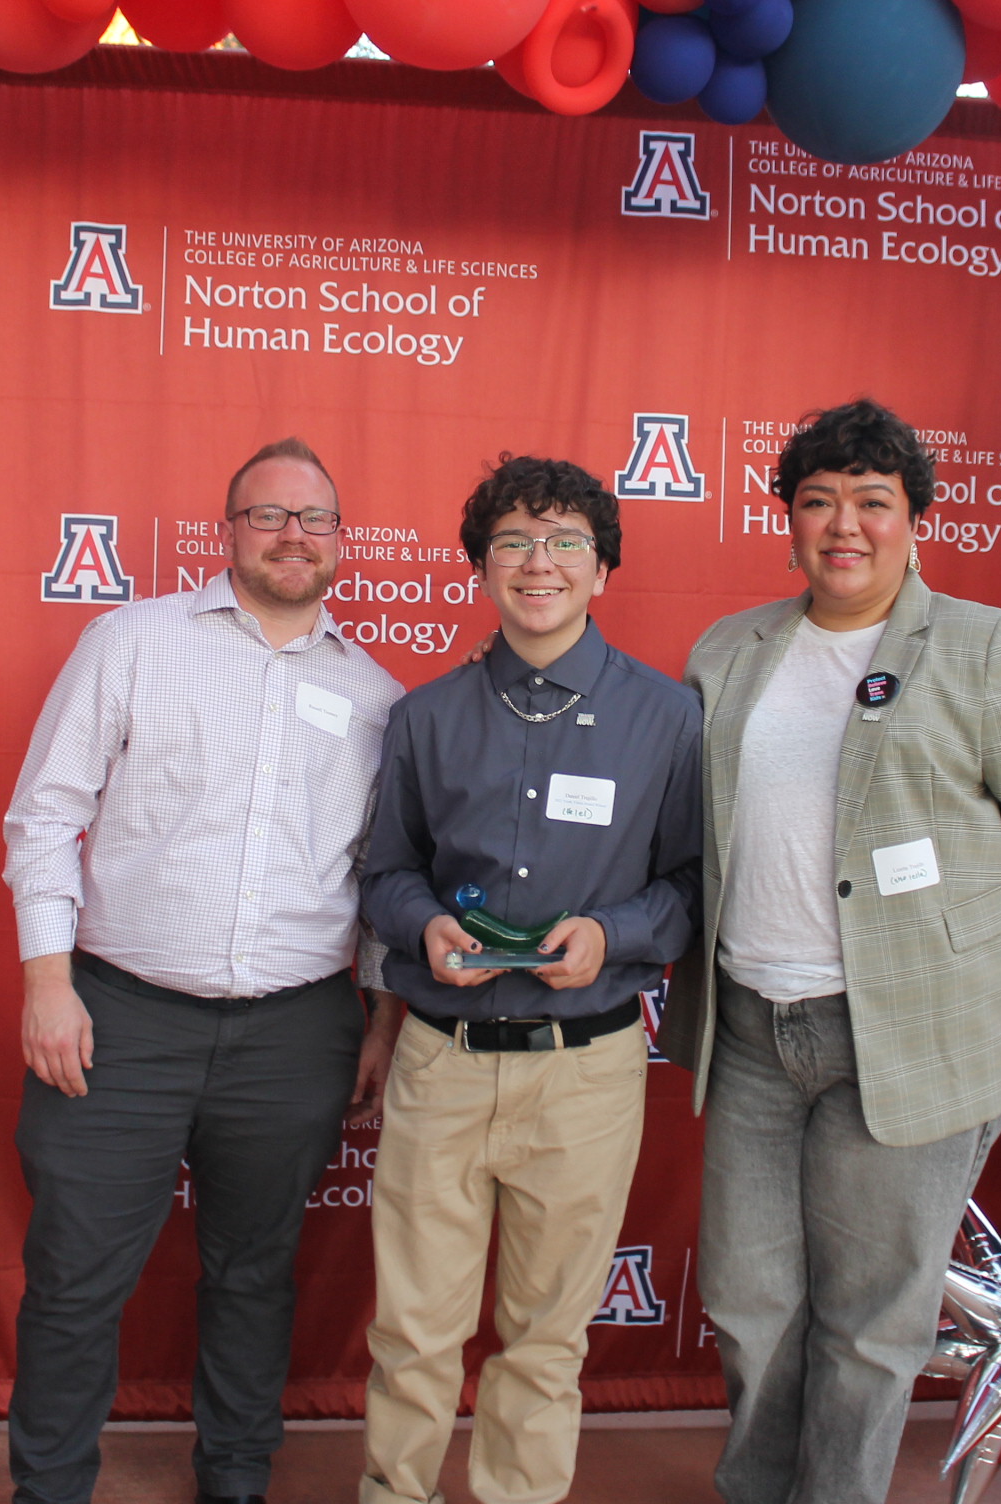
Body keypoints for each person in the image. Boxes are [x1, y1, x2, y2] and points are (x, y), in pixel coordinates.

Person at [660, 400, 1001, 1504]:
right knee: (750, 1299)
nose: (844, 525)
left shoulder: (981, 645)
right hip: (755, 1028)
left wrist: (937, 929)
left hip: (905, 1037)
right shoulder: (731, 648)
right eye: (819, 502)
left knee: (871, 1320)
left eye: (873, 502)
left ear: (916, 520)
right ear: (790, 521)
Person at [1, 437, 406, 1504]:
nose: (292, 536)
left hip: (295, 1031)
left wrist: (377, 1022)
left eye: (314, 520)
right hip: (120, 1018)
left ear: (339, 542)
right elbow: (47, 815)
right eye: (269, 515)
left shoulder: (374, 696)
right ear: (226, 531)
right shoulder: (132, 642)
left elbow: (375, 875)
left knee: (253, 1274)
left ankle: (234, 1479)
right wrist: (48, 981)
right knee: (76, 1281)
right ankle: (47, 1489)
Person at [356, 455, 702, 1504]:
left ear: (602, 569)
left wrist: (612, 930)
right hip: (442, 1060)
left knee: (547, 1338)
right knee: (413, 1330)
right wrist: (426, 932)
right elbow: (384, 875)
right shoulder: (424, 717)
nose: (537, 562)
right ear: (480, 567)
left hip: (585, 1072)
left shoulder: (669, 717)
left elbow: (691, 885)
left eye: (564, 542)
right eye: (512, 540)